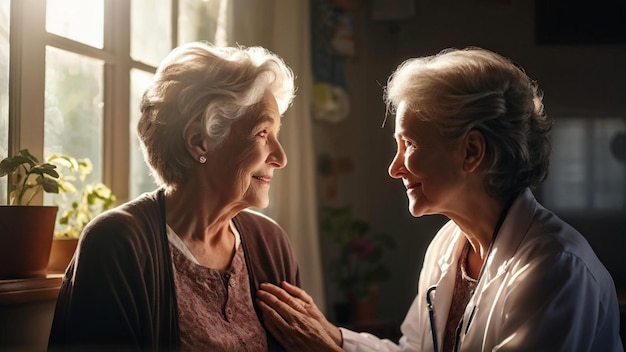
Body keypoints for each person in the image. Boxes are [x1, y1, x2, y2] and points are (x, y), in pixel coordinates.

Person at [256, 47, 624, 351]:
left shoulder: (556, 271)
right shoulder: (449, 244)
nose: (395, 168)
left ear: (471, 152)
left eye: (410, 145)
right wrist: (334, 337)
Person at [48, 41, 300, 351]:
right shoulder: (117, 244)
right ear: (199, 141)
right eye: (263, 133)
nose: (281, 157)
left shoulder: (270, 244)